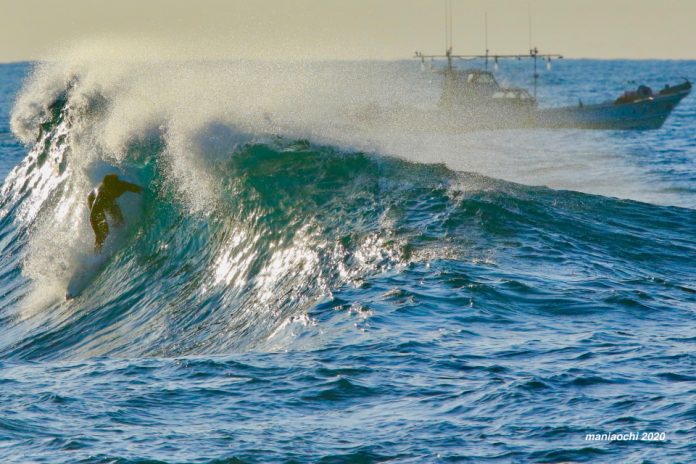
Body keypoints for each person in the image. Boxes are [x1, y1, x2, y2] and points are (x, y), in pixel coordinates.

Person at [87, 174, 142, 251]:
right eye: (109, 188)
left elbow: (139, 189)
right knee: (104, 231)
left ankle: (121, 238)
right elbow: (92, 217)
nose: (111, 189)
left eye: (113, 186)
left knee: (120, 220)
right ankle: (96, 254)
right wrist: (97, 233)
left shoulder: (122, 185)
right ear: (106, 187)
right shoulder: (101, 197)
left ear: (116, 183)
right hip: (92, 199)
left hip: (108, 199)